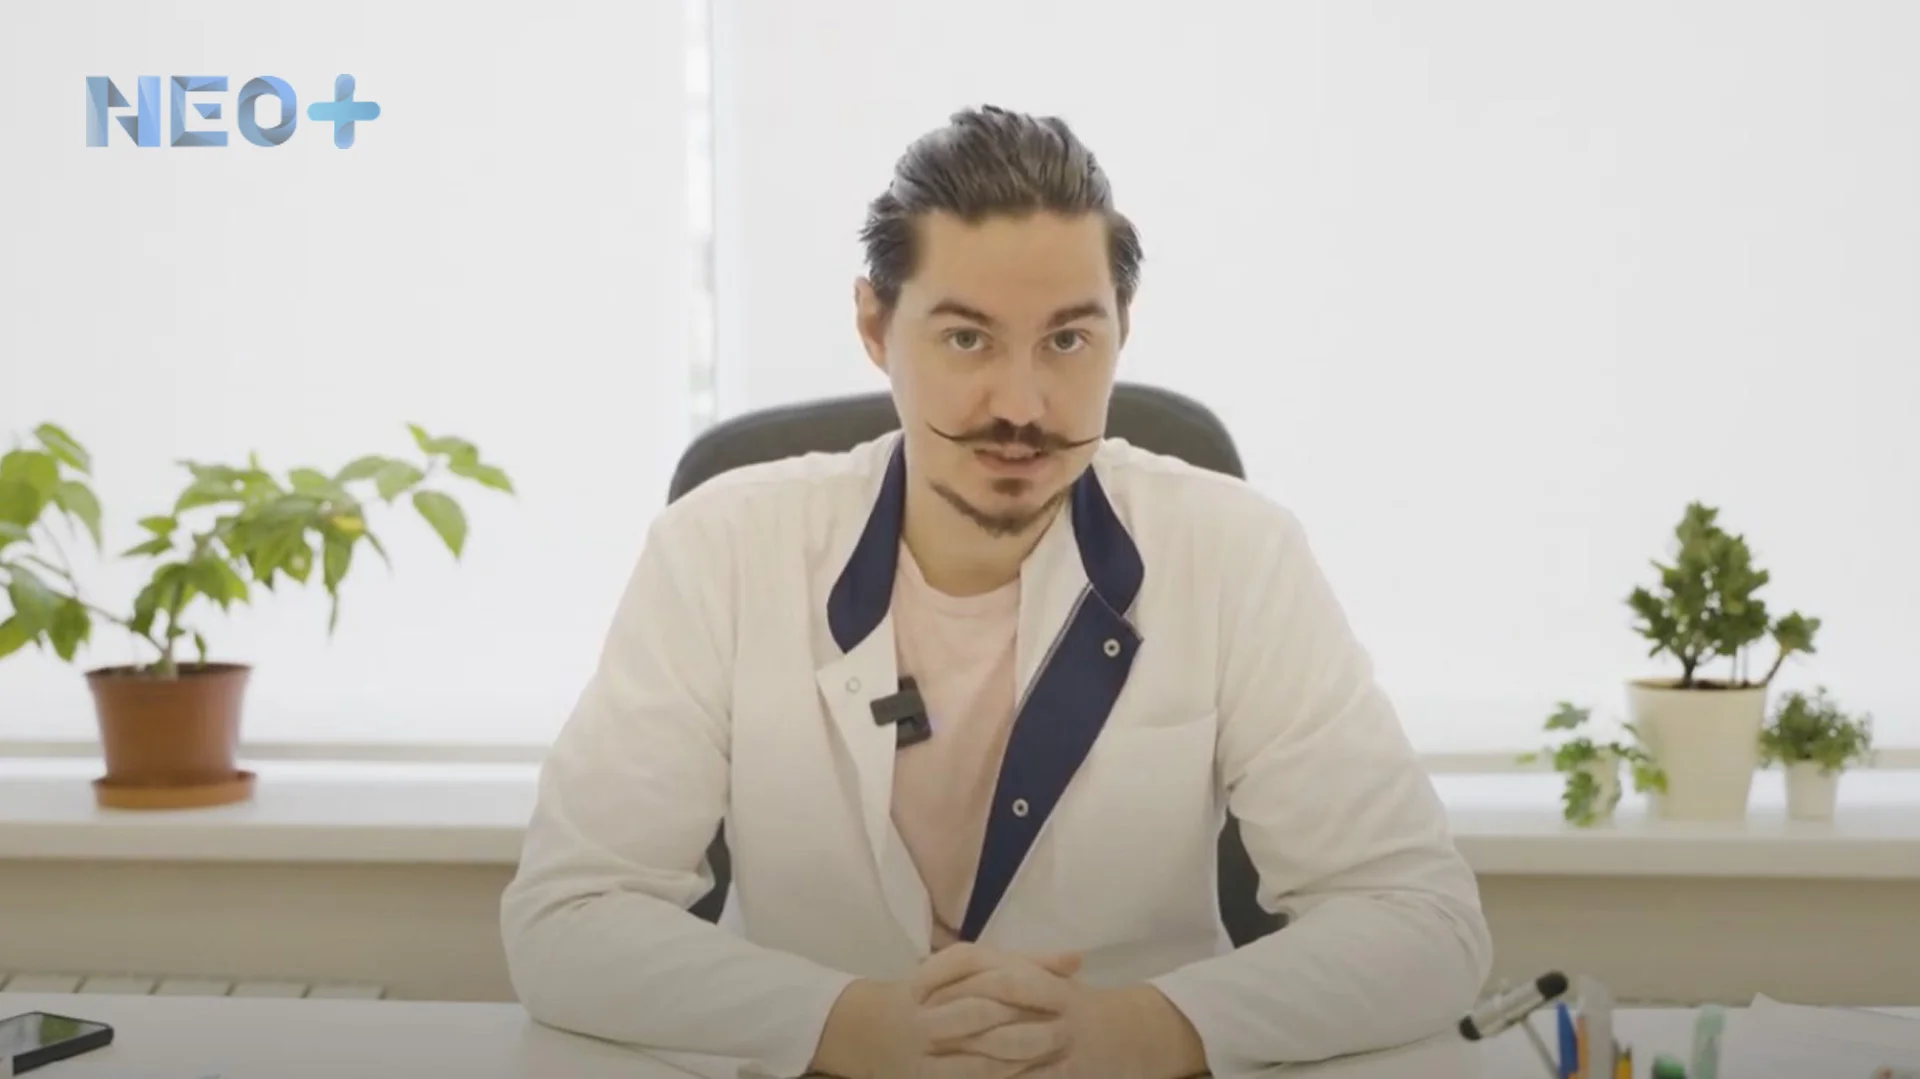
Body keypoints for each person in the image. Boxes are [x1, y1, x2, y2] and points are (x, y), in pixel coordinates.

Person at [501, 104, 1492, 1079]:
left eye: (1067, 341)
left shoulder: (1235, 552)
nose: (1021, 405)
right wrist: (848, 1023)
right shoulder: (721, 548)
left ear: (1122, 328)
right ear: (875, 324)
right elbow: (570, 916)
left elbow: (1420, 919)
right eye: (968, 339)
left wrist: (1142, 1031)